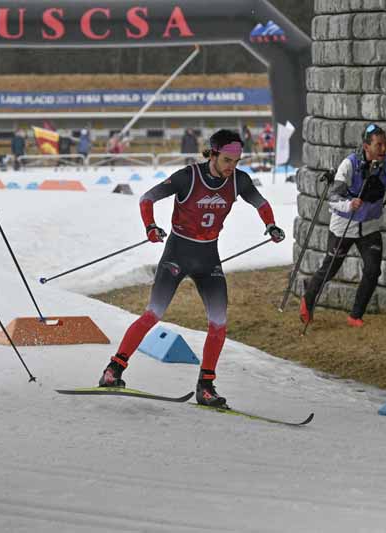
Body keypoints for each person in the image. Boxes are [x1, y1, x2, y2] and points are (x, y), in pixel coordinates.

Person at [97, 129, 285, 407]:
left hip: (209, 257)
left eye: (236, 161)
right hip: (178, 253)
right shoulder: (189, 176)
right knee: (153, 314)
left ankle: (205, 387)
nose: (231, 167)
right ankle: (113, 370)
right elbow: (147, 198)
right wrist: (150, 226)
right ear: (213, 154)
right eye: (226, 160)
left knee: (219, 323)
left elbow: (261, 203)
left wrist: (270, 225)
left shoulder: (239, 181)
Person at [300, 124, 386, 327]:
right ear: (366, 146)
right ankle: (308, 300)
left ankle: (355, 316)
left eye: (385, 144)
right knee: (330, 270)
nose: (384, 149)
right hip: (344, 226)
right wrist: (349, 204)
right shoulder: (349, 165)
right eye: (379, 145)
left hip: (370, 227)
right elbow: (332, 196)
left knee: (373, 271)